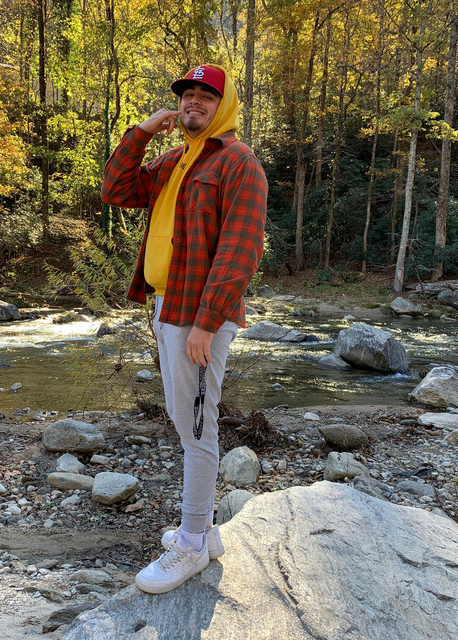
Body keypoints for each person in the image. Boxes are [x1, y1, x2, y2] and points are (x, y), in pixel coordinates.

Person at [101, 64, 267, 594]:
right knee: (183, 416)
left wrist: (206, 322)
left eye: (205, 95)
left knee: (197, 426)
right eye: (187, 94)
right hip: (167, 306)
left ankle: (192, 542)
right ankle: (207, 532)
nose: (194, 101)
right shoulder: (175, 160)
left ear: (225, 104)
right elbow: (116, 189)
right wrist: (144, 131)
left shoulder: (239, 163)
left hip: (200, 316)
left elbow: (241, 250)